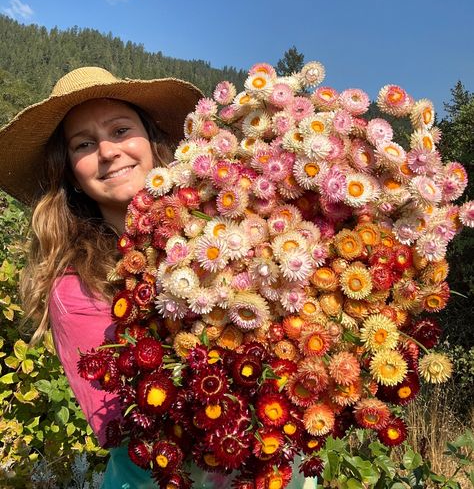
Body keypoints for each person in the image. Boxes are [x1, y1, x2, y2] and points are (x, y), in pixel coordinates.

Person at [0, 67, 316, 489]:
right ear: (70, 172)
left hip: (273, 470)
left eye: (120, 129)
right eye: (84, 144)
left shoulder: (231, 224)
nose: (109, 151)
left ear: (151, 141)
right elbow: (121, 423)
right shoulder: (76, 287)